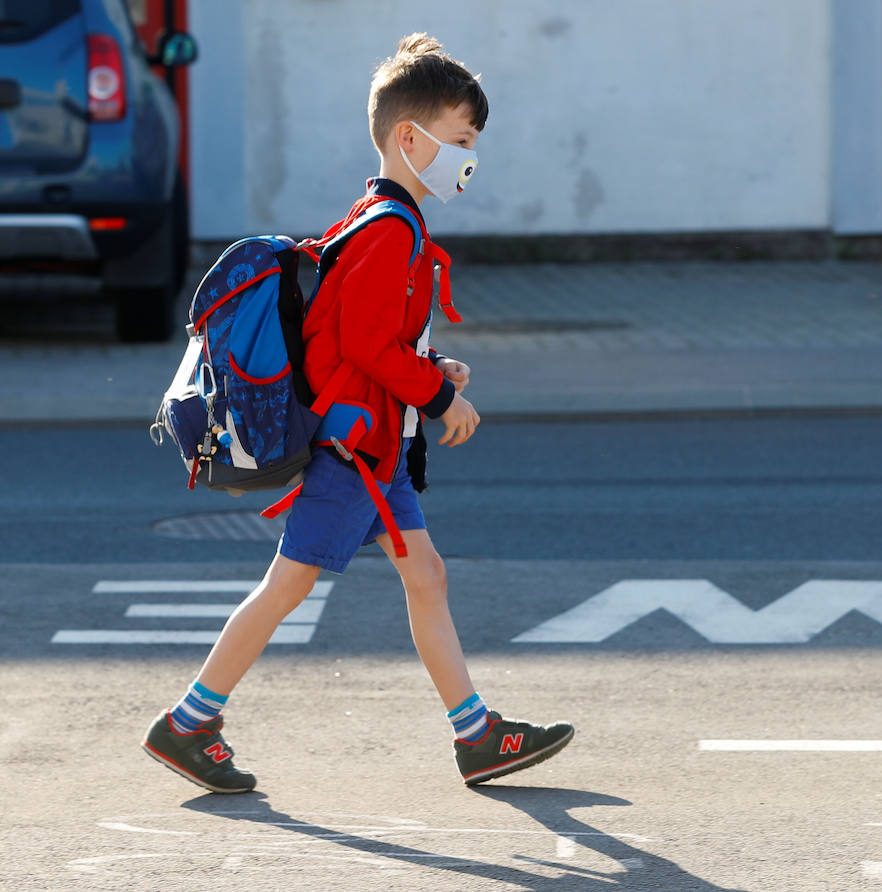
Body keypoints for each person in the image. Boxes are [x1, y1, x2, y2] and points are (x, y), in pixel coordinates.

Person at [141, 34, 573, 793]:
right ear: (410, 138)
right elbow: (369, 345)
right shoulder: (390, 230)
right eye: (461, 141)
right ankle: (188, 721)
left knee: (425, 577)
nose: (470, 158)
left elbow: (357, 339)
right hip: (354, 457)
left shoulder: (375, 217)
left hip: (373, 450)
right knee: (288, 587)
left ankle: (476, 735)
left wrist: (431, 368)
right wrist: (441, 398)